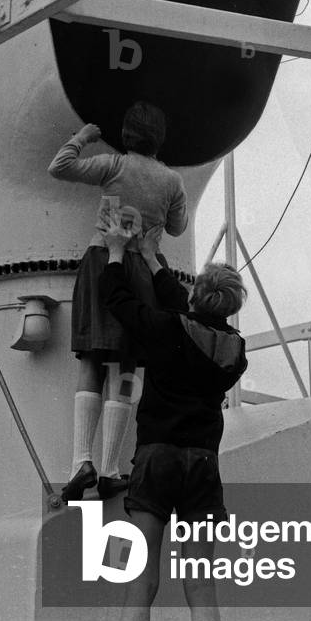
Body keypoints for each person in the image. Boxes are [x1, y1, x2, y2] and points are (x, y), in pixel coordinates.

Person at [99, 219, 247, 621]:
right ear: (231, 305)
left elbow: (119, 301)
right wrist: (151, 257)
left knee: (142, 580)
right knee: (201, 584)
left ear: (198, 293)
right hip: (202, 464)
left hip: (157, 458)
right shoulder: (235, 351)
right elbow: (191, 316)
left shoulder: (167, 329)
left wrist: (114, 252)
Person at [49, 102, 188, 501]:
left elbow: (59, 167)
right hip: (145, 269)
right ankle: (110, 469)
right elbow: (177, 227)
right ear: (159, 139)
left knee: (92, 358)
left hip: (101, 258)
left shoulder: (112, 165)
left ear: (126, 135)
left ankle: (82, 463)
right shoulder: (172, 181)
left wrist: (83, 137)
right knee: (128, 364)